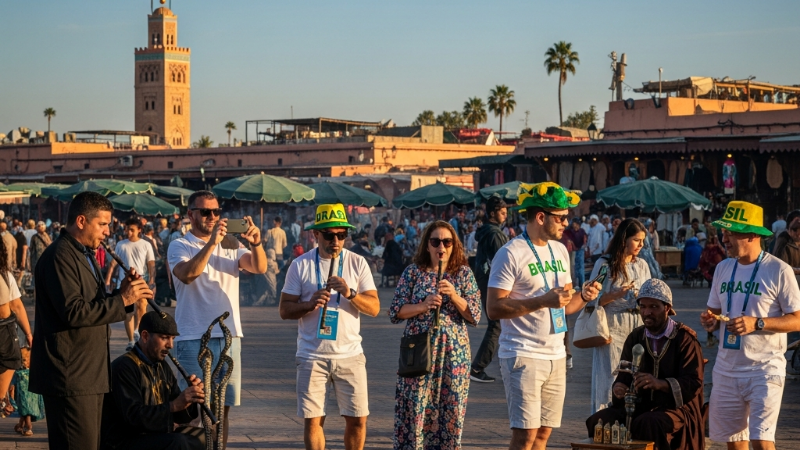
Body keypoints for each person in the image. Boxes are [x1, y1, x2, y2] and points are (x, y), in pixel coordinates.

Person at [30, 191, 153, 450]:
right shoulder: (59, 256)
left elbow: (91, 303)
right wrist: (122, 300)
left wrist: (122, 293)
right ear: (82, 221)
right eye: (103, 224)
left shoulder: (82, 253)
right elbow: (74, 312)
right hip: (71, 376)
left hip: (89, 374)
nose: (107, 232)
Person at [486, 182, 601, 450]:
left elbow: (564, 307)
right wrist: (542, 301)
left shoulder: (560, 250)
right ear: (541, 217)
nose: (566, 223)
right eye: (561, 217)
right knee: (525, 435)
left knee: (543, 435)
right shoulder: (510, 253)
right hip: (522, 353)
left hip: (556, 354)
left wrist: (583, 297)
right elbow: (493, 308)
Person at [168, 190, 266, 449]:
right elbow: (188, 275)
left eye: (216, 212)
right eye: (205, 212)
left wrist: (256, 243)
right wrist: (211, 243)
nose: (212, 217)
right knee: (191, 406)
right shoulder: (180, 245)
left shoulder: (231, 244)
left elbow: (259, 267)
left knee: (221, 408)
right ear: (191, 215)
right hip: (191, 336)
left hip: (229, 336)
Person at [700, 200, 800, 450]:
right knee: (734, 443)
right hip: (726, 369)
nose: (724, 239)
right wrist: (709, 321)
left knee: (762, 442)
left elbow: (797, 319)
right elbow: (714, 312)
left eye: (730, 233)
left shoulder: (779, 270)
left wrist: (757, 323)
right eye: (723, 233)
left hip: (764, 369)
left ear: (753, 235)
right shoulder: (723, 268)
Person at [279, 203, 380, 450]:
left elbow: (375, 308)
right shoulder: (300, 265)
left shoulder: (357, 263)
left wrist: (350, 293)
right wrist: (308, 304)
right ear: (316, 235)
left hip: (350, 354)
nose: (336, 241)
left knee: (358, 420)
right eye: (329, 235)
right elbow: (284, 310)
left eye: (341, 235)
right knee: (313, 422)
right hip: (312, 355)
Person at [389, 220, 481, 449]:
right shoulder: (413, 272)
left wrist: (455, 296)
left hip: (453, 356)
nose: (442, 247)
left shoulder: (463, 274)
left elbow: (475, 316)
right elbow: (395, 311)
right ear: (427, 245)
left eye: (447, 242)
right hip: (419, 353)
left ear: (454, 245)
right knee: (416, 409)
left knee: (451, 410)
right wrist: (423, 305)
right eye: (436, 241)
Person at [586, 279, 705, 450]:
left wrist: (661, 384)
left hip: (676, 408)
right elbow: (624, 376)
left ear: (667, 308)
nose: (647, 312)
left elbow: (694, 383)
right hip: (639, 405)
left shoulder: (685, 339)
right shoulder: (636, 337)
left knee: (649, 423)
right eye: (643, 307)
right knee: (600, 421)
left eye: (653, 307)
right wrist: (619, 388)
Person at [101, 311, 205, 450]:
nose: (170, 345)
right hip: (124, 440)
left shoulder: (162, 366)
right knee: (179, 443)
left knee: (204, 438)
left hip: (151, 435)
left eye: (172, 338)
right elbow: (134, 417)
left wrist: (188, 400)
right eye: (165, 338)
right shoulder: (124, 367)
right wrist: (173, 405)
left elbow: (179, 417)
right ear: (144, 336)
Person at [588, 218, 652, 413]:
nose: (641, 245)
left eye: (643, 241)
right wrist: (616, 294)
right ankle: (603, 423)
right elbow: (591, 298)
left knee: (635, 376)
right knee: (610, 378)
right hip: (612, 328)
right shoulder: (605, 264)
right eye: (636, 240)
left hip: (637, 327)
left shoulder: (642, 265)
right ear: (624, 239)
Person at [470, 195, 509, 383]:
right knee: (497, 325)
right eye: (502, 213)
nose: (505, 216)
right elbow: (504, 262)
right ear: (493, 214)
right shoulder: (494, 234)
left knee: (499, 324)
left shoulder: (487, 232)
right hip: (493, 284)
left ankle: (500, 363)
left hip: (486, 282)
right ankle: (477, 367)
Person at [105, 217, 156, 351]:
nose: (129, 232)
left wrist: (152, 280)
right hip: (125, 283)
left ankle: (138, 332)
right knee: (128, 313)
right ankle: (131, 341)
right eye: (127, 229)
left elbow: (151, 263)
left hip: (141, 281)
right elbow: (113, 263)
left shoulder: (146, 245)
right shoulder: (121, 244)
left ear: (139, 230)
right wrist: (108, 280)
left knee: (142, 307)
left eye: (132, 230)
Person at [11, 347, 45, 437]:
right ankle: (20, 425)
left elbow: (12, 385)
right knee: (25, 412)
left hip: (23, 396)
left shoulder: (18, 373)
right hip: (34, 395)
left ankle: (29, 427)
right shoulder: (34, 371)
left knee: (26, 413)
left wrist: (11, 398)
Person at [564, 218, 587, 290]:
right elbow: (566, 232)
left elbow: (585, 240)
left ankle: (582, 284)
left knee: (581, 268)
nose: (574, 226)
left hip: (580, 250)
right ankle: (576, 284)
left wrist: (584, 246)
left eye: (575, 224)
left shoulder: (582, 231)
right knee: (574, 267)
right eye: (573, 224)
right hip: (573, 251)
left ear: (578, 224)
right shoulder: (570, 231)